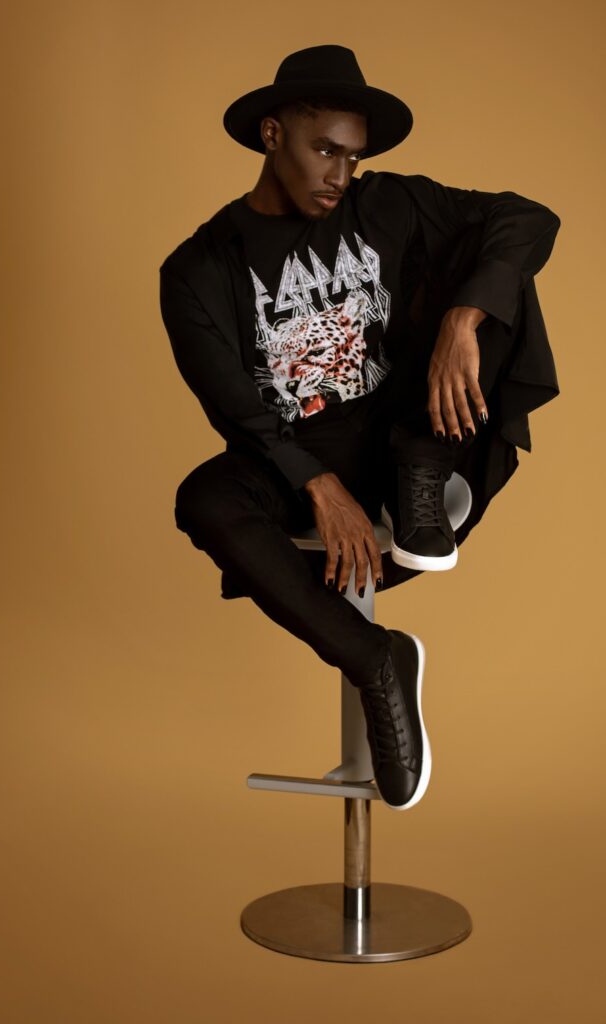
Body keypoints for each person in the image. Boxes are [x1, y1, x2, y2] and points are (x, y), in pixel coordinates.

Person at [159, 44, 561, 812]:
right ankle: (373, 660)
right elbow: (233, 410)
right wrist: (317, 485)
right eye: (324, 151)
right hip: (291, 450)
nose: (339, 175)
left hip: (409, 427)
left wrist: (460, 319)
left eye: (352, 156)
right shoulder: (198, 268)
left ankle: (419, 465)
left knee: (495, 272)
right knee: (204, 498)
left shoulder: (389, 204)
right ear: (271, 135)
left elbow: (528, 216)